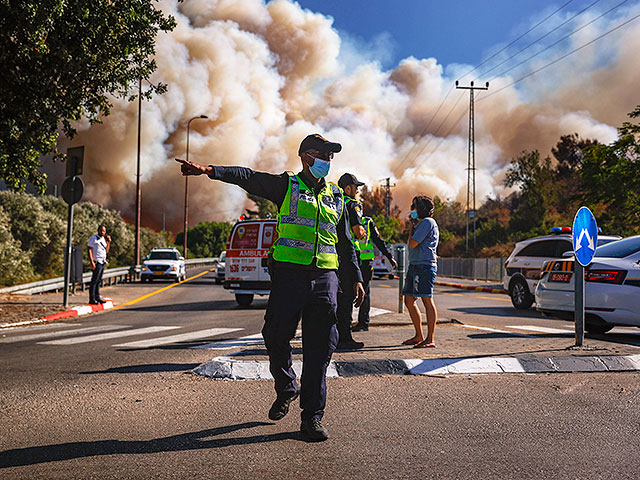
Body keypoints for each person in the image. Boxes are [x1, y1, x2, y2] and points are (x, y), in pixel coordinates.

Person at [176, 134, 364, 442]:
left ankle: (312, 418)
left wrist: (355, 276)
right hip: (290, 277)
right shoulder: (286, 186)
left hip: (324, 280)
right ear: (306, 156)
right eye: (323, 155)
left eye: (332, 157)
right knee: (275, 335)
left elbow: (345, 243)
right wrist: (209, 169)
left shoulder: (337, 196)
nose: (328, 162)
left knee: (319, 350)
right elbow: (248, 177)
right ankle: (287, 386)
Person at [401, 196, 439, 348]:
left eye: (414, 206)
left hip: (424, 266)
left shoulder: (427, 223)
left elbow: (412, 243)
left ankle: (430, 339)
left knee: (426, 300)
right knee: (409, 300)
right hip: (415, 265)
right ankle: (419, 335)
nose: (412, 209)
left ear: (422, 209)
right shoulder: (420, 224)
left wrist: (412, 228)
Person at [335, 173, 367, 349]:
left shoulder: (334, 202)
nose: (357, 190)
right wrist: (363, 232)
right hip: (349, 254)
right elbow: (357, 232)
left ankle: (336, 336)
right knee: (348, 297)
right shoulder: (352, 205)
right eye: (355, 187)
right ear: (348, 188)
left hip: (334, 254)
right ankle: (345, 339)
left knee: (338, 298)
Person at [351, 216, 398, 331]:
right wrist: (389, 257)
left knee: (353, 292)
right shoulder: (367, 221)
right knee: (364, 292)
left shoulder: (351, 217)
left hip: (354, 261)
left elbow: (378, 240)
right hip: (362, 261)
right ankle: (363, 323)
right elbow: (378, 240)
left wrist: (389, 257)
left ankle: (356, 323)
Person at [87, 225, 111, 304]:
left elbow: (106, 251)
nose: (102, 232)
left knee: (98, 281)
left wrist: (108, 242)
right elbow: (89, 250)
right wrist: (92, 262)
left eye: (104, 231)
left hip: (102, 262)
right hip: (96, 262)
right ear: (98, 230)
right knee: (94, 281)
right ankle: (92, 298)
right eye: (101, 230)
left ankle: (97, 297)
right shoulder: (93, 238)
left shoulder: (103, 239)